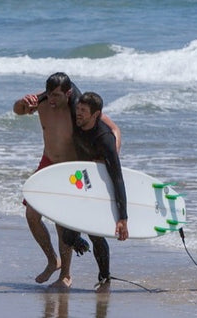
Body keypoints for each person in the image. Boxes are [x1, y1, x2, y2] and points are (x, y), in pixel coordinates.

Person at [13, 73, 121, 290]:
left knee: (63, 223)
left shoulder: (79, 109)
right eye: (49, 94)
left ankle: (66, 275)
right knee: (32, 215)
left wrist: (111, 157)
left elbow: (114, 130)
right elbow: (17, 110)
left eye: (56, 96)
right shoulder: (42, 101)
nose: (51, 100)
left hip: (72, 170)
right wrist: (22, 102)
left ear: (68, 93)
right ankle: (53, 260)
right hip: (48, 162)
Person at [66, 91, 129, 293]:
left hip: (100, 183)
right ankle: (78, 242)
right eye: (78, 109)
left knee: (95, 235)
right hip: (80, 178)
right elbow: (68, 87)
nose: (78, 114)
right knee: (67, 233)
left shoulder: (105, 139)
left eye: (84, 111)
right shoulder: (77, 116)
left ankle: (105, 277)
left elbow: (118, 178)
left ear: (96, 115)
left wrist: (123, 218)